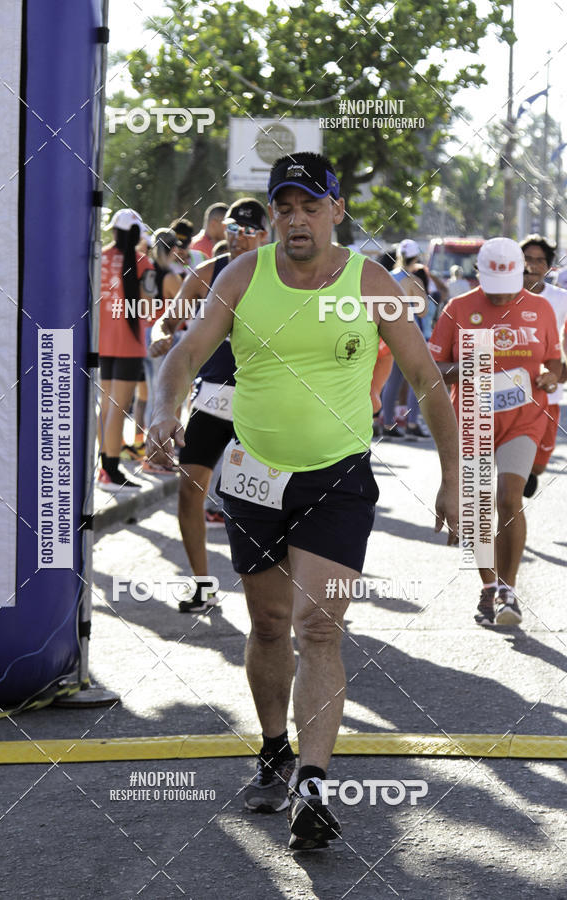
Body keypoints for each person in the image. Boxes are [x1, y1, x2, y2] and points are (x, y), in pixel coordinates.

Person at [148, 151, 459, 851]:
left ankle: (313, 785)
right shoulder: (242, 275)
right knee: (268, 624)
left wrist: (453, 478)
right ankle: (273, 748)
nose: (295, 220)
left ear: (336, 212)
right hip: (254, 473)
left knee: (319, 628)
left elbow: (425, 378)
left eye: (309, 207)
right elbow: (185, 354)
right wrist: (165, 410)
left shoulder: (369, 280)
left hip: (337, 476)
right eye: (284, 208)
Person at [430, 237, 561, 626]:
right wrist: (473, 369)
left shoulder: (540, 308)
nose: (503, 300)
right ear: (479, 276)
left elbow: (555, 360)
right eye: (495, 292)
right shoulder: (458, 308)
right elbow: (434, 369)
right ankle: (489, 589)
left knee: (508, 497)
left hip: (524, 417)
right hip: (471, 416)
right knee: (474, 508)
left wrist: (550, 376)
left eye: (509, 290)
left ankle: (508, 589)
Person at [156, 199, 269, 611]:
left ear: (265, 234)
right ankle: (202, 584)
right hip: (214, 396)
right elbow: (168, 320)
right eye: (233, 231)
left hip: (263, 400)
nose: (238, 240)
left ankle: (278, 594)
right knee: (189, 490)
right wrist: (162, 336)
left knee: (261, 500)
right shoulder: (211, 271)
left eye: (248, 232)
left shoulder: (282, 273)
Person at [98, 208, 155, 491]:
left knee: (107, 408)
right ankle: (110, 471)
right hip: (130, 346)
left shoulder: (98, 258)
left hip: (101, 345)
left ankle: (104, 469)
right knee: (117, 410)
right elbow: (152, 309)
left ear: (113, 231)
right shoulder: (144, 263)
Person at [520, 234, 567, 496]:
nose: (533, 265)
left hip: (549, 389)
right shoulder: (504, 297)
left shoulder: (561, 298)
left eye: (540, 260)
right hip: (513, 390)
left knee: (539, 463)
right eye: (527, 259)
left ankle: (528, 472)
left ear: (548, 266)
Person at [381, 239, 429, 439]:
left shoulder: (386, 277)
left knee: (391, 381)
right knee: (416, 381)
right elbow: (423, 311)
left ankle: (388, 423)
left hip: (386, 334)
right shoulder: (412, 281)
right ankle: (411, 423)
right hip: (410, 335)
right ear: (416, 257)